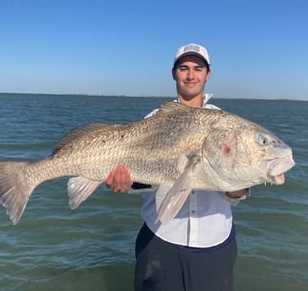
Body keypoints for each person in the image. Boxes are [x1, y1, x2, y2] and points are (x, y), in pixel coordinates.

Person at [106, 43, 249, 291]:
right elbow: (146, 179)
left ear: (208, 74)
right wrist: (126, 183)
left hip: (214, 244)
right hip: (160, 240)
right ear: (174, 73)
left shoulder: (226, 124)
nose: (190, 75)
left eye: (197, 68)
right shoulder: (153, 121)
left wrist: (240, 188)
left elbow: (236, 190)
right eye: (184, 68)